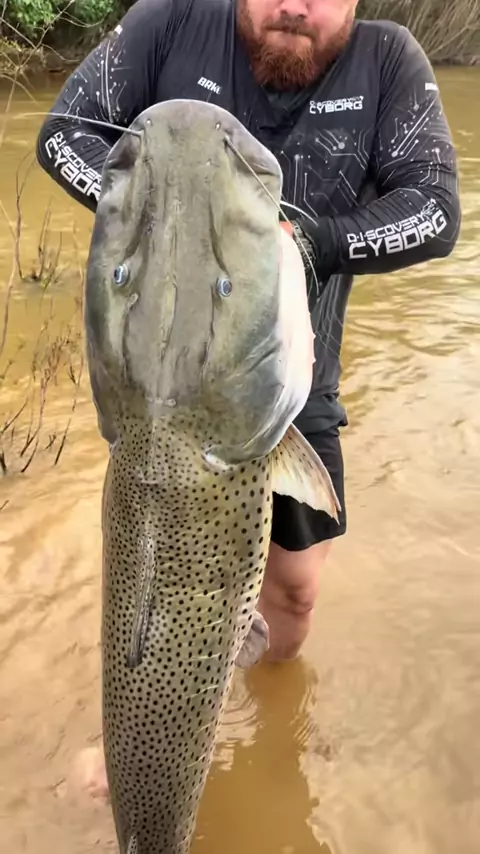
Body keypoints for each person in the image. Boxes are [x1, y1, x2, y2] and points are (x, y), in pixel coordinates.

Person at [36, 0, 461, 664]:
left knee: (295, 592)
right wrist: (136, 208)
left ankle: (257, 688)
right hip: (154, 383)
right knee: (148, 577)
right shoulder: (169, 22)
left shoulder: (387, 60)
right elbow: (63, 133)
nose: (293, 6)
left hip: (288, 372)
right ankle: (168, 691)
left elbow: (434, 208)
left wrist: (311, 242)